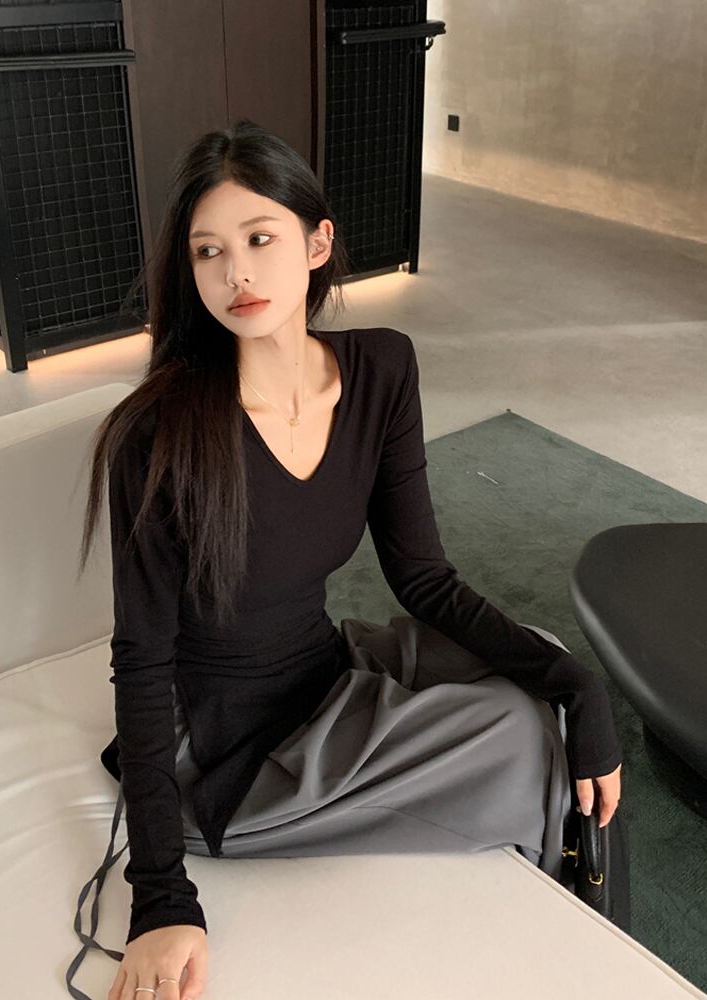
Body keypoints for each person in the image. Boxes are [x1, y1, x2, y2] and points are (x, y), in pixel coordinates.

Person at [71, 119, 623, 1000]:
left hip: (324, 663)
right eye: (209, 252)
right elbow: (141, 660)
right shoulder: (158, 435)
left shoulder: (382, 370)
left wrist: (582, 683)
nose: (236, 273)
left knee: (545, 663)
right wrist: (160, 897)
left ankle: (583, 898)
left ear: (317, 243)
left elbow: (423, 578)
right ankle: (576, 922)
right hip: (229, 747)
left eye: (260, 239)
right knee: (517, 734)